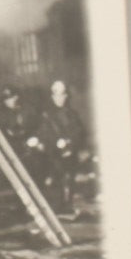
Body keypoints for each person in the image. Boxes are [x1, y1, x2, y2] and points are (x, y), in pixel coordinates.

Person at [38, 78, 89, 216]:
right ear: (52, 96)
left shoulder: (72, 114)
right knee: (58, 178)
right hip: (53, 155)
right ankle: (59, 206)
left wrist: (69, 142)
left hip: (70, 152)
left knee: (70, 178)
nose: (60, 97)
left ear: (66, 96)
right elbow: (43, 134)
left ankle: (68, 203)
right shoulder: (46, 115)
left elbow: (80, 132)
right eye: (57, 94)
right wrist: (56, 143)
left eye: (62, 94)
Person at [0, 83, 45, 178]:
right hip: (14, 146)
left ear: (16, 97)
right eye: (6, 99)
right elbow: (3, 132)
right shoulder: (1, 114)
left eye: (11, 98)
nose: (9, 101)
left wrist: (37, 139)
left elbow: (38, 125)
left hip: (31, 142)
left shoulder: (28, 108)